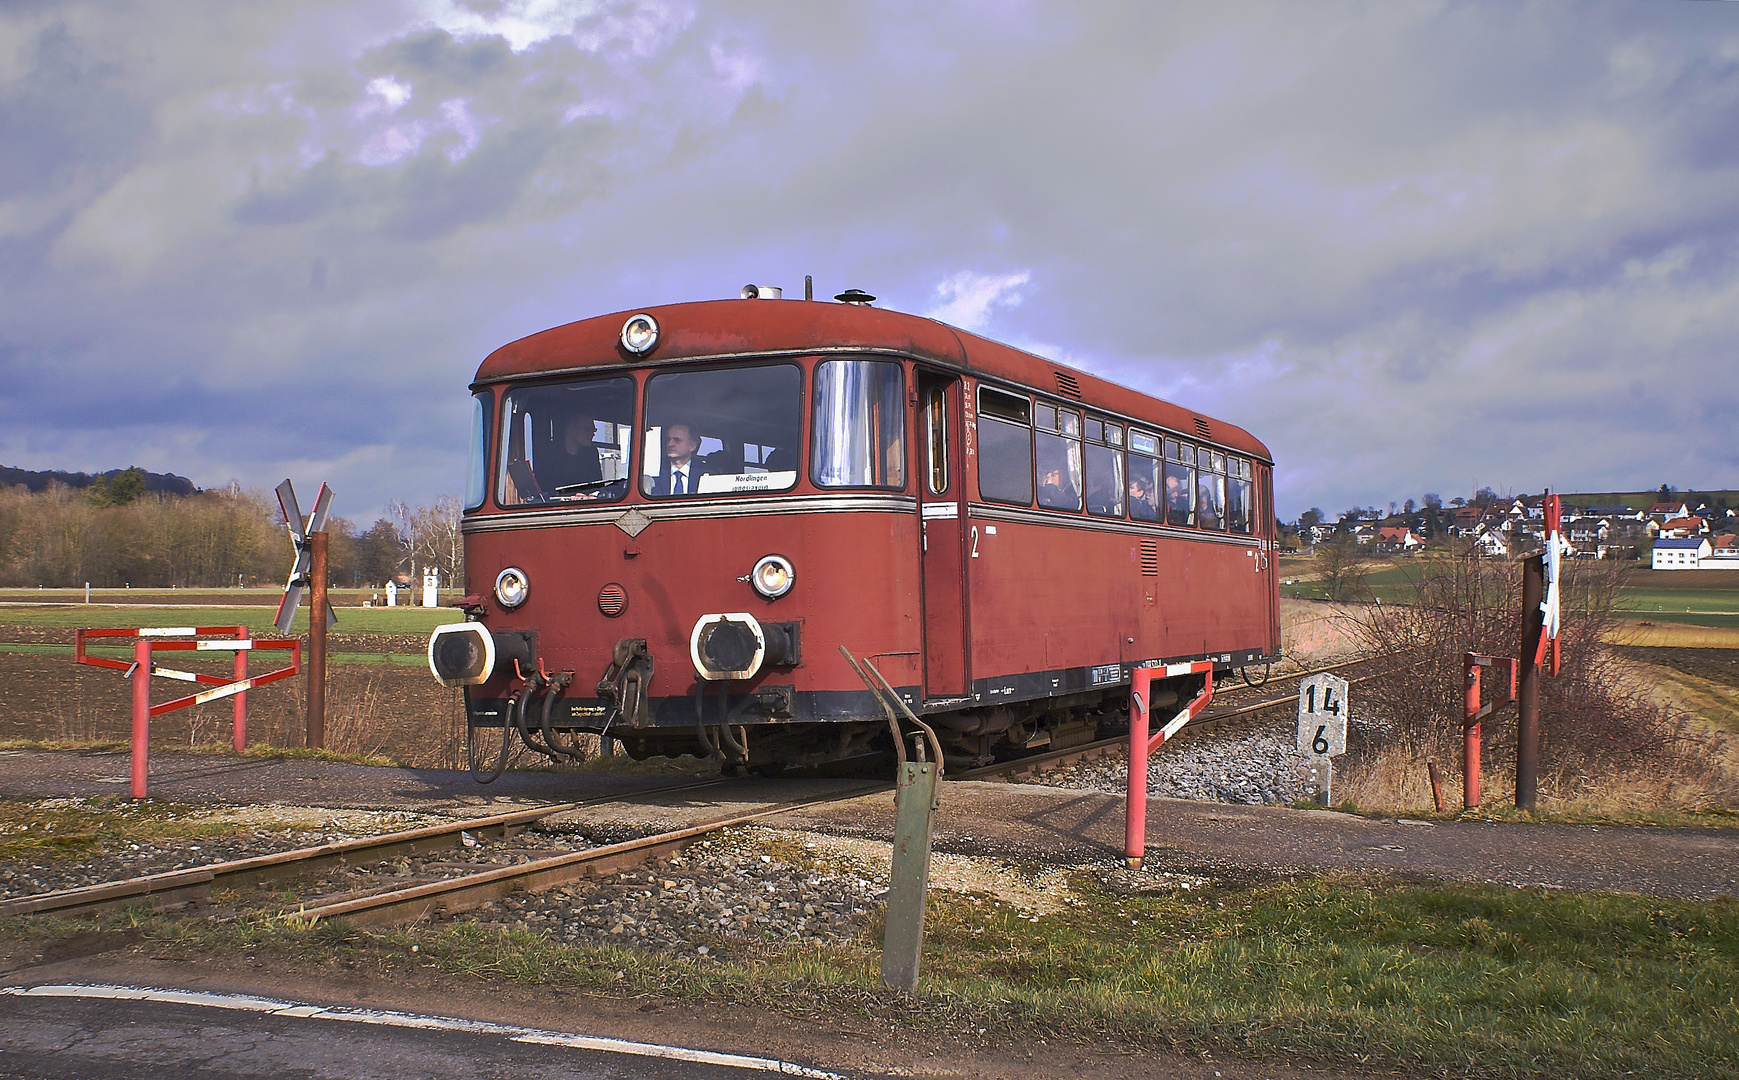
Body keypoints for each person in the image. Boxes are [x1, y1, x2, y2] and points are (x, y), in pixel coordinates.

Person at [648, 423, 706, 496]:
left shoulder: (707, 473)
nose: (670, 444)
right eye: (668, 439)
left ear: (692, 446)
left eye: (677, 440)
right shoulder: (654, 471)